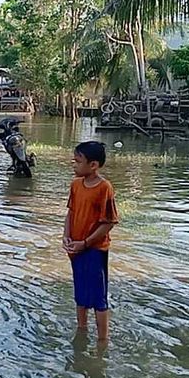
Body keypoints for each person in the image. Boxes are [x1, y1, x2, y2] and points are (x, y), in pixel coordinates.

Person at [63, 141, 119, 341]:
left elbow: (108, 222)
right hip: (76, 247)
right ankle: (82, 330)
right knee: (80, 292)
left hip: (94, 249)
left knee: (98, 296)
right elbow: (71, 212)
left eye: (78, 161)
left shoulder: (104, 188)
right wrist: (66, 235)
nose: (74, 164)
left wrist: (85, 242)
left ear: (93, 165)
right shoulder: (75, 184)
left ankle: (103, 340)